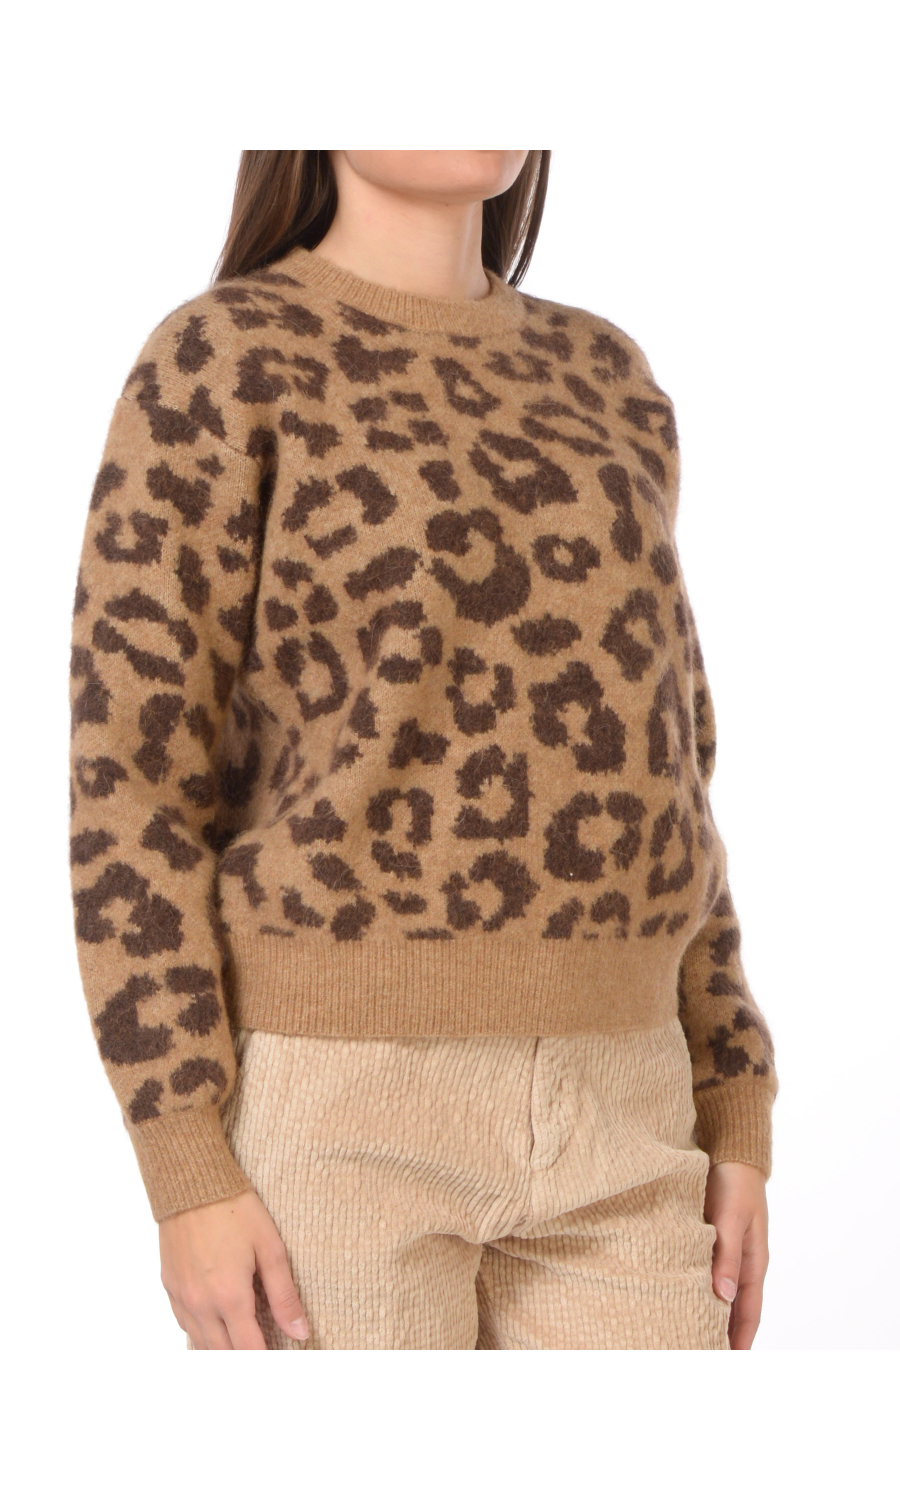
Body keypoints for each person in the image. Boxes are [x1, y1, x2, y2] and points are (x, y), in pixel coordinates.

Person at [67, 149, 778, 1350]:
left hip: (629, 1105)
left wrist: (731, 1087)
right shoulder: (222, 359)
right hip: (340, 1115)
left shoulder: (606, 374)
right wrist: (182, 1160)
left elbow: (669, 764)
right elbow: (131, 784)